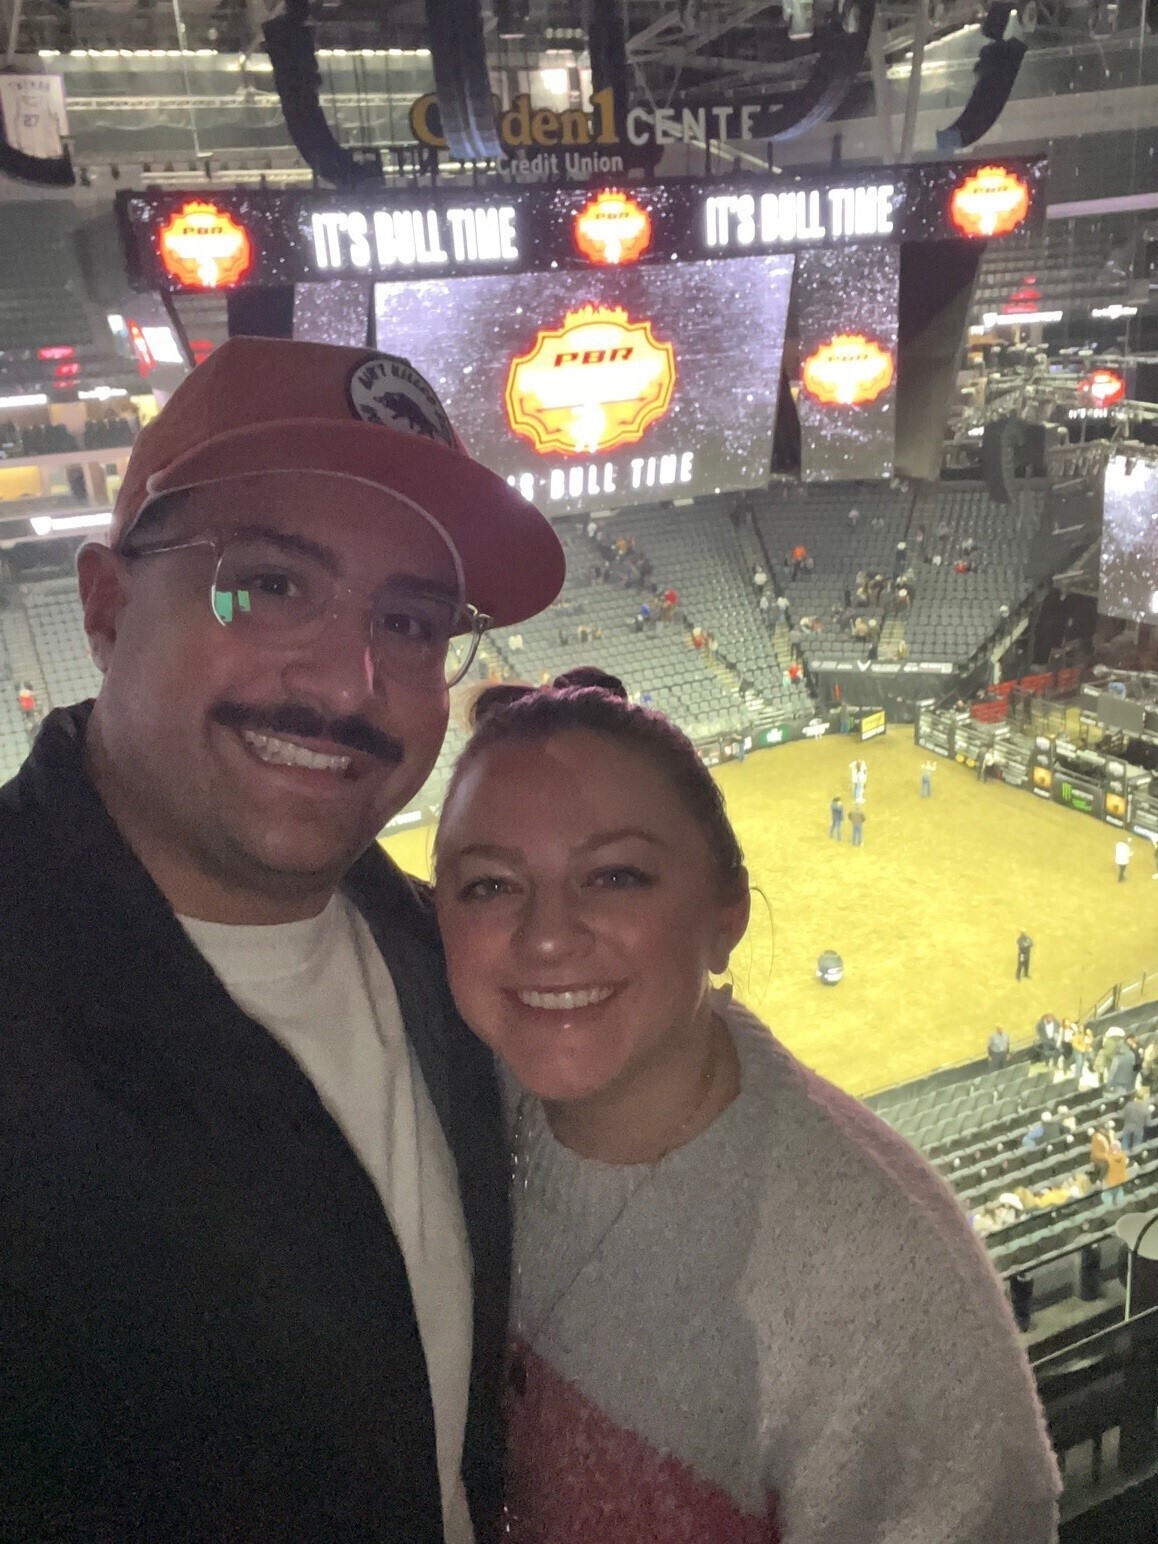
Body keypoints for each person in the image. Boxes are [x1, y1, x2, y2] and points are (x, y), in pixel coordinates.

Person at [0, 336, 567, 1539]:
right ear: (106, 607)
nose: (349, 683)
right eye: (267, 584)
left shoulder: (433, 947)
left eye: (409, 620)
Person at [432, 669, 1060, 1543]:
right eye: (490, 885)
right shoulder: (433, 1107)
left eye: (615, 876)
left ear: (726, 913)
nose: (545, 936)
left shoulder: (890, 1288)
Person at [1120, 1090, 1153, 1155]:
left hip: (1128, 1126)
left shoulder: (1129, 1105)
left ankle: (1123, 1155)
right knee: (1137, 1144)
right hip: (1138, 1129)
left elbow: (1123, 1115)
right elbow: (1148, 1123)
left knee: (1125, 1142)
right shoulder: (1146, 1109)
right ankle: (1134, 1155)